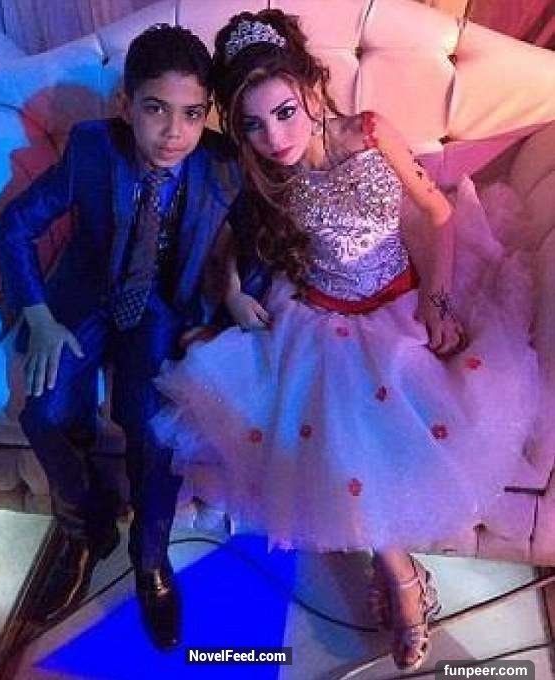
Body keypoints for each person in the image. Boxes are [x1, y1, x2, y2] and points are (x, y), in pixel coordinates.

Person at [150, 9, 538, 670]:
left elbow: (438, 213)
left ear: (310, 86)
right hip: (321, 313)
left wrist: (438, 302)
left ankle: (398, 571)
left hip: (402, 297)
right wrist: (234, 291)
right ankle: (401, 574)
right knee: (337, 442)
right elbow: (228, 235)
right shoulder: (263, 170)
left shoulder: (370, 132)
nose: (274, 137)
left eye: (284, 112)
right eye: (252, 124)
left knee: (422, 415)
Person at [0, 23, 241, 650]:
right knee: (44, 412)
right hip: (86, 298)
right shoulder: (92, 148)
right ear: (126, 105)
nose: (173, 132)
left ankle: (149, 556)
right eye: (156, 109)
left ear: (207, 114)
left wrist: (224, 312)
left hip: (162, 309)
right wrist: (38, 314)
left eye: (191, 114)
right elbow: (13, 228)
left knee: (155, 429)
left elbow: (256, 244)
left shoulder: (221, 164)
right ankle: (87, 525)